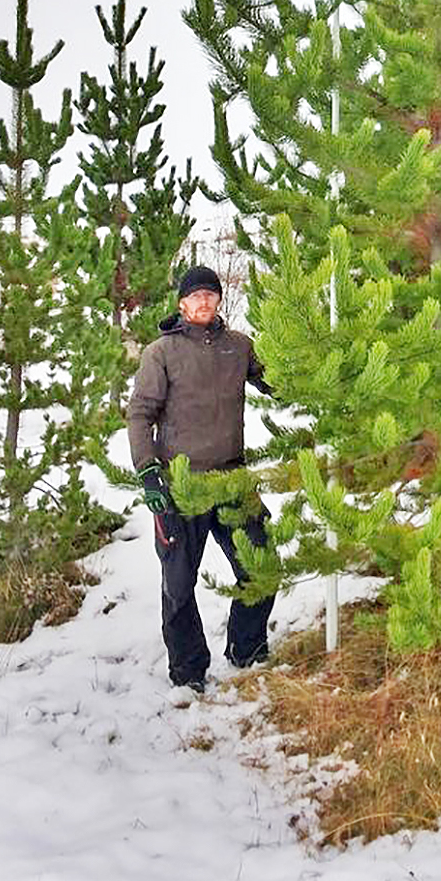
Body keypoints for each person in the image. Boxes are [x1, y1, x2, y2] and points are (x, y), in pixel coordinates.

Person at [127, 265, 275, 691]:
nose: (204, 301)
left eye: (211, 294)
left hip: (232, 480)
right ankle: (188, 670)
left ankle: (246, 649)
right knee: (178, 585)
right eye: (196, 295)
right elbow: (140, 414)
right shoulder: (161, 353)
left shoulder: (238, 347)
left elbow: (275, 382)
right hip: (181, 486)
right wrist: (149, 472)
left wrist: (314, 370)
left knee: (261, 564)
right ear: (182, 303)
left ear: (219, 301)